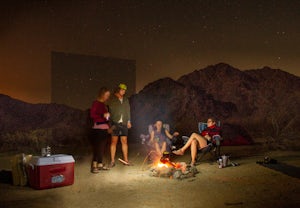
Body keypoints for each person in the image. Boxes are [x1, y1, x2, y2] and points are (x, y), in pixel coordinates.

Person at [108, 83, 132, 167]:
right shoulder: (112, 99)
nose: (124, 91)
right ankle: (112, 161)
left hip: (124, 123)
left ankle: (126, 160)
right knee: (114, 142)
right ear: (118, 89)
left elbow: (128, 111)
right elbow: (108, 111)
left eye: (124, 90)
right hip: (115, 123)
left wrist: (129, 121)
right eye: (122, 90)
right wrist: (109, 124)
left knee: (124, 141)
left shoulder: (125, 100)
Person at [89, 87, 111, 173]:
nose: (107, 97)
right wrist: (103, 115)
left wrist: (107, 119)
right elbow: (92, 115)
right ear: (102, 94)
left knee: (102, 147)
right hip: (98, 128)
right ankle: (94, 165)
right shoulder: (96, 103)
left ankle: (100, 164)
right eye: (106, 95)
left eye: (108, 95)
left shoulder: (104, 105)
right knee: (97, 147)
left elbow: (106, 117)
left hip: (104, 128)